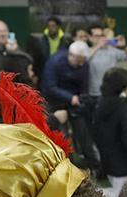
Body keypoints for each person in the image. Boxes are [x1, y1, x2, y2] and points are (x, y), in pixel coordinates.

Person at [41, 40, 98, 170]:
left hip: (75, 102)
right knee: (63, 136)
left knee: (83, 134)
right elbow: (49, 87)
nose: (82, 64)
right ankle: (68, 168)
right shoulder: (54, 62)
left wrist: (82, 100)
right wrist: (70, 97)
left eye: (83, 61)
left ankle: (94, 166)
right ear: (71, 55)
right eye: (79, 61)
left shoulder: (84, 63)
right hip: (55, 102)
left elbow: (84, 85)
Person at [93, 68, 127, 197]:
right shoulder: (122, 109)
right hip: (122, 164)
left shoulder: (99, 104)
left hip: (107, 160)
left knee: (117, 195)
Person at [86, 24, 127, 98]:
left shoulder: (111, 50)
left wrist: (124, 47)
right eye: (97, 36)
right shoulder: (87, 50)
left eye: (102, 35)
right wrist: (99, 45)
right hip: (95, 92)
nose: (100, 38)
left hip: (113, 91)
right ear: (90, 38)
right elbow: (85, 59)